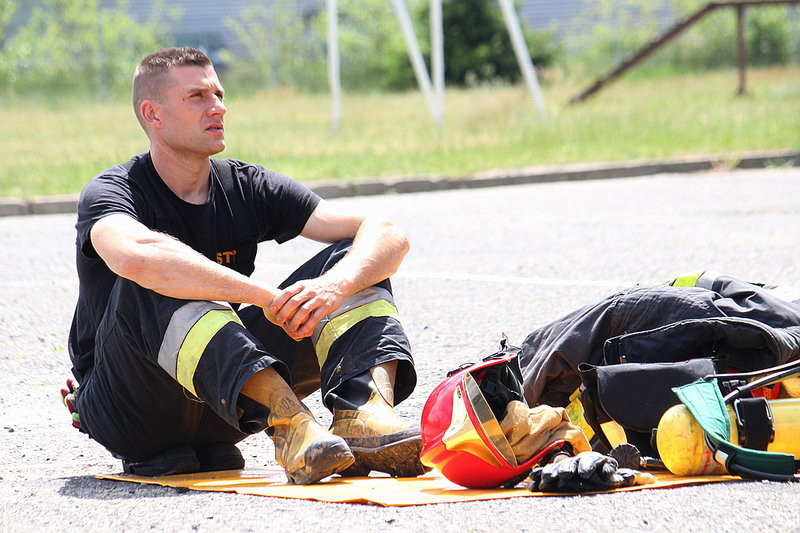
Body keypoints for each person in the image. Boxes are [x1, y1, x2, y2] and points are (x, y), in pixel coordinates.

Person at [63, 47, 426, 485]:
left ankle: (363, 416)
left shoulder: (245, 185)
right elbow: (134, 256)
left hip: (223, 400)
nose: (219, 107)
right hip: (130, 405)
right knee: (154, 275)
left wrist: (335, 286)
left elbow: (386, 232)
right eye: (198, 96)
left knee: (350, 259)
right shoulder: (112, 190)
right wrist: (262, 297)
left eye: (218, 94)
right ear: (153, 114)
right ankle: (290, 425)